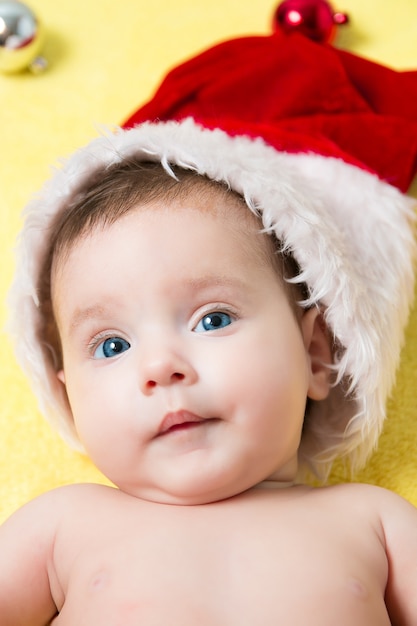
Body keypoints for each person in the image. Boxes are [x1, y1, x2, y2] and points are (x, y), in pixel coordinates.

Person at [2, 25, 417, 626]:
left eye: (212, 318)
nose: (160, 366)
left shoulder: (373, 521)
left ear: (318, 356)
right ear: (68, 395)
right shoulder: (62, 526)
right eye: (112, 344)